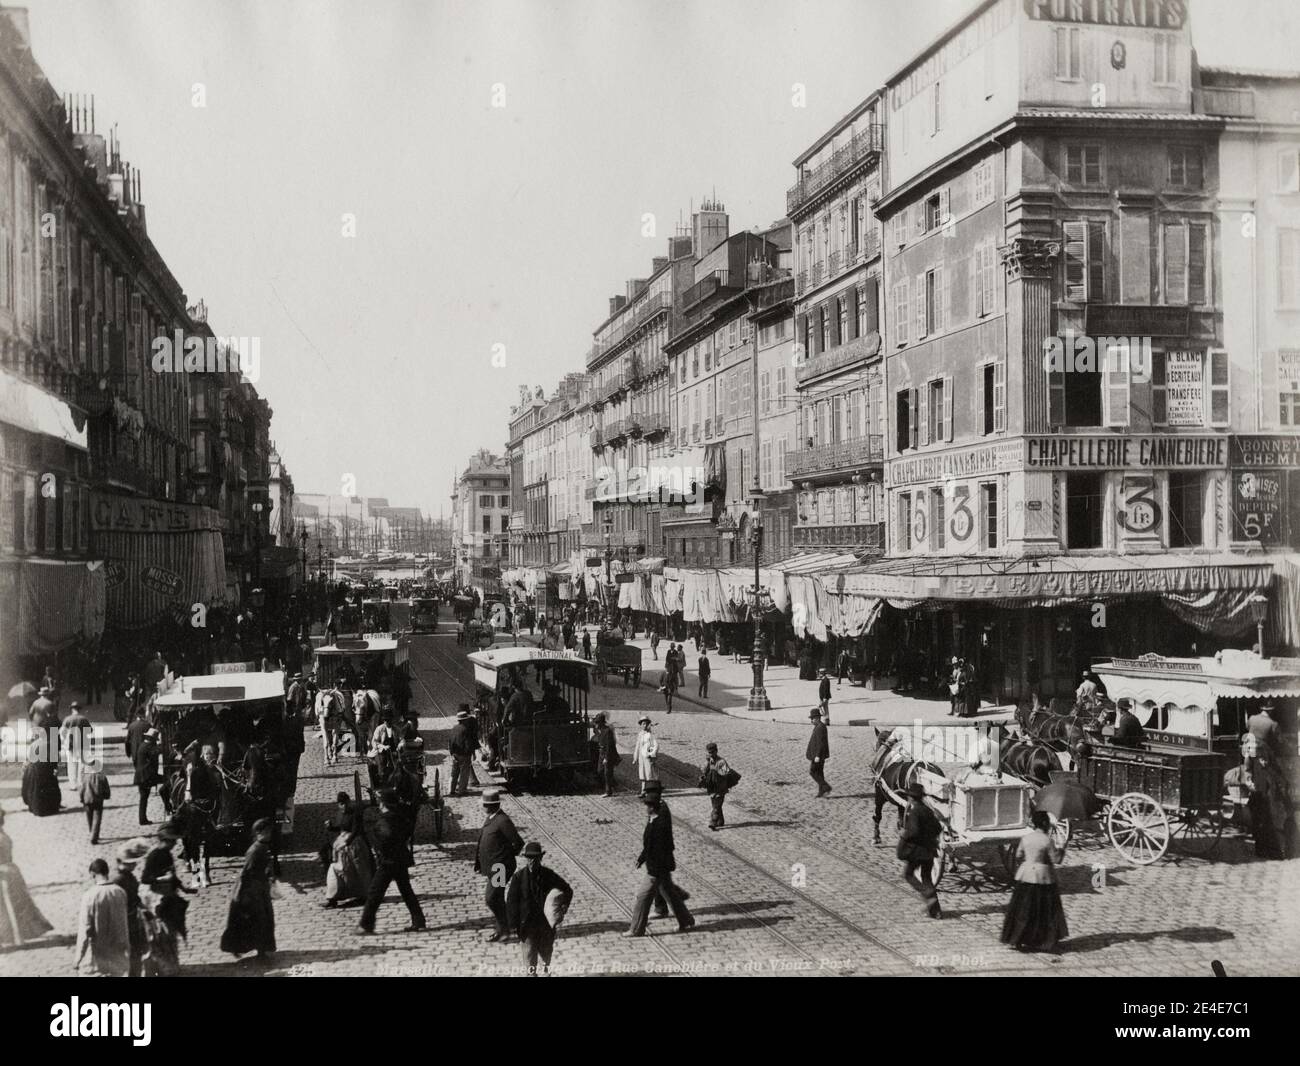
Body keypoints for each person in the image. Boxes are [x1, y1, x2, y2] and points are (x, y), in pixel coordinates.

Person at [623, 785, 694, 937]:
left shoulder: (659, 824)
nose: (645, 809)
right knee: (671, 895)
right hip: (658, 867)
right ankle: (686, 920)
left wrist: (654, 870)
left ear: (652, 807)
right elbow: (648, 845)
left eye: (646, 805)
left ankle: (636, 929)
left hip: (657, 868)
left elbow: (660, 848)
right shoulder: (653, 820)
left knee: (642, 897)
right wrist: (641, 859)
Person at [356, 790, 425, 934]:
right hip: (400, 859)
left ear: (384, 804)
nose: (379, 805)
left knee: (375, 892)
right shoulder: (400, 817)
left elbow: (384, 838)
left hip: (388, 862)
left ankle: (366, 925)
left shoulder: (384, 821)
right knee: (406, 890)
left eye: (381, 802)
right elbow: (407, 831)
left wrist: (381, 848)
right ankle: (419, 920)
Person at [999, 809, 1068, 951]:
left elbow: (1018, 855)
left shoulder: (1026, 838)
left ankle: (1018, 939)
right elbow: (1057, 859)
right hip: (1044, 878)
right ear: (1044, 824)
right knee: (1045, 912)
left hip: (1025, 876)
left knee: (1022, 911)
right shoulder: (1047, 840)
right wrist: (1063, 847)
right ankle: (1044, 941)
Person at [505, 842, 573, 976]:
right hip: (527, 924)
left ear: (540, 858)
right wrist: (513, 924)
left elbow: (567, 889)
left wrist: (563, 906)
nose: (532, 861)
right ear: (526, 859)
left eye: (535, 858)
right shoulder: (518, 877)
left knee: (546, 955)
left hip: (545, 924)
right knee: (529, 958)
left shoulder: (548, 875)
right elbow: (511, 902)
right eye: (529, 858)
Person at [221, 817, 277, 961]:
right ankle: (255, 950)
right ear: (258, 833)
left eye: (270, 831)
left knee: (263, 918)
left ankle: (261, 949)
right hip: (252, 889)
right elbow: (246, 873)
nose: (269, 834)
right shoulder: (255, 850)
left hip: (260, 887)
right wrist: (243, 893)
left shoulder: (263, 847)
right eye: (266, 832)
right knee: (258, 919)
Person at [0, 808, 53, 949]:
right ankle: (19, 936)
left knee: (6, 908)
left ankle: (10, 937)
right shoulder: (3, 834)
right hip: (12, 872)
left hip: (2, 875)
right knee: (17, 906)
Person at [475, 788, 523, 941]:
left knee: (492, 898)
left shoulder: (503, 821)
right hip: (494, 867)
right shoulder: (492, 818)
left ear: (490, 806)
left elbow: (518, 843)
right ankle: (504, 928)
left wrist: (505, 857)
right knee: (496, 898)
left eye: (484, 804)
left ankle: (504, 928)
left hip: (500, 867)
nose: (482, 807)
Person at [75, 858, 130, 977]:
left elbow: (85, 929)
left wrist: (78, 958)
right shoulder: (120, 892)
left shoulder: (89, 896)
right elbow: (124, 923)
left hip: (98, 955)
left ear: (92, 874)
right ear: (107, 872)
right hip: (118, 952)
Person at [898, 782, 942, 919]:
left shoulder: (915, 811)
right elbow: (938, 828)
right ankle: (936, 912)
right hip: (930, 850)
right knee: (926, 878)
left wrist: (904, 834)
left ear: (911, 798)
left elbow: (914, 831)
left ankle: (928, 896)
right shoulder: (928, 810)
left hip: (918, 851)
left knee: (908, 874)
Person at [323, 793, 373, 908]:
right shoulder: (341, 814)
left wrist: (346, 842)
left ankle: (363, 896)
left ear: (349, 802)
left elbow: (356, 830)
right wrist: (330, 827)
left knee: (358, 871)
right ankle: (332, 898)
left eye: (345, 803)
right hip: (342, 846)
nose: (343, 806)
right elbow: (341, 827)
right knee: (335, 870)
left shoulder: (355, 813)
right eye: (341, 804)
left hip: (355, 846)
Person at [112, 842, 148, 977]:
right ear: (120, 862)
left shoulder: (128, 875)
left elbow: (134, 896)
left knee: (135, 950)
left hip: (132, 918)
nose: (134, 865)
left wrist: (143, 908)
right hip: (125, 920)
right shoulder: (119, 880)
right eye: (130, 863)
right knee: (132, 951)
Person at [700, 742, 732, 831]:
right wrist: (707, 763)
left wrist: (716, 771)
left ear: (716, 751)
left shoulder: (721, 761)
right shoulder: (708, 761)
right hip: (712, 787)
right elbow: (703, 770)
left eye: (712, 752)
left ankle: (713, 822)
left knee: (716, 807)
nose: (711, 754)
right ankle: (720, 821)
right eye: (709, 752)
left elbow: (726, 773)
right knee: (716, 805)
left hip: (720, 788)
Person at [80, 756, 112, 844]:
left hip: (87, 799)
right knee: (97, 818)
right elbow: (106, 788)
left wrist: (81, 798)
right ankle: (94, 836)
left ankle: (91, 831)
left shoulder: (85, 776)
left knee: (89, 817)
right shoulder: (101, 776)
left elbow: (81, 788)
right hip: (98, 799)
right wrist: (106, 795)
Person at [134, 727, 163, 826]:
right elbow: (155, 752)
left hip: (142, 776)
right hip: (145, 777)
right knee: (144, 797)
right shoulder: (148, 747)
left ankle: (142, 818)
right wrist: (161, 746)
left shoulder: (143, 745)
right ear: (152, 739)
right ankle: (142, 819)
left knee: (143, 797)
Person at [60, 701, 92, 790]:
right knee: (81, 765)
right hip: (82, 744)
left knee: (71, 765)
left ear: (72, 709)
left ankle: (73, 784)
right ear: (79, 709)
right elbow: (90, 731)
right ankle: (81, 783)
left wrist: (65, 740)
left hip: (70, 745)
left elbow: (62, 732)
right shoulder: (83, 719)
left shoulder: (67, 719)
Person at [448, 707, 478, 796]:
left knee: (454, 773)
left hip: (455, 754)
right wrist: (472, 753)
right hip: (464, 755)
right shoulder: (466, 730)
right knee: (464, 773)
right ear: (464, 720)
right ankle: (462, 790)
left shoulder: (454, 728)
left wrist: (452, 753)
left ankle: (451, 790)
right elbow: (468, 743)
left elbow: (450, 741)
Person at [592, 712, 620, 797]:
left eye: (597, 723)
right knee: (600, 771)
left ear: (601, 723)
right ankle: (610, 785)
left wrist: (606, 758)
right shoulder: (600, 730)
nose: (595, 725)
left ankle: (608, 791)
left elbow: (609, 746)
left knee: (607, 773)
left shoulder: (607, 731)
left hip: (608, 754)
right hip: (601, 753)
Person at [806, 707, 831, 798]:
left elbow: (821, 743)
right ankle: (821, 791)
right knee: (820, 773)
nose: (811, 721)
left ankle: (825, 786)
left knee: (813, 772)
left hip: (818, 756)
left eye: (812, 719)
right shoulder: (819, 726)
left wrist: (817, 756)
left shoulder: (820, 727)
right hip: (818, 755)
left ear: (817, 718)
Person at [633, 716, 658, 795]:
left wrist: (651, 756)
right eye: (643, 724)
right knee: (642, 773)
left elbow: (654, 746)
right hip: (641, 757)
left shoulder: (650, 735)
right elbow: (637, 746)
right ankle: (643, 790)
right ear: (640, 725)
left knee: (649, 774)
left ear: (648, 725)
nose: (644, 725)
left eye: (646, 724)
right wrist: (635, 757)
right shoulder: (640, 734)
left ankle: (649, 791)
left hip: (647, 758)